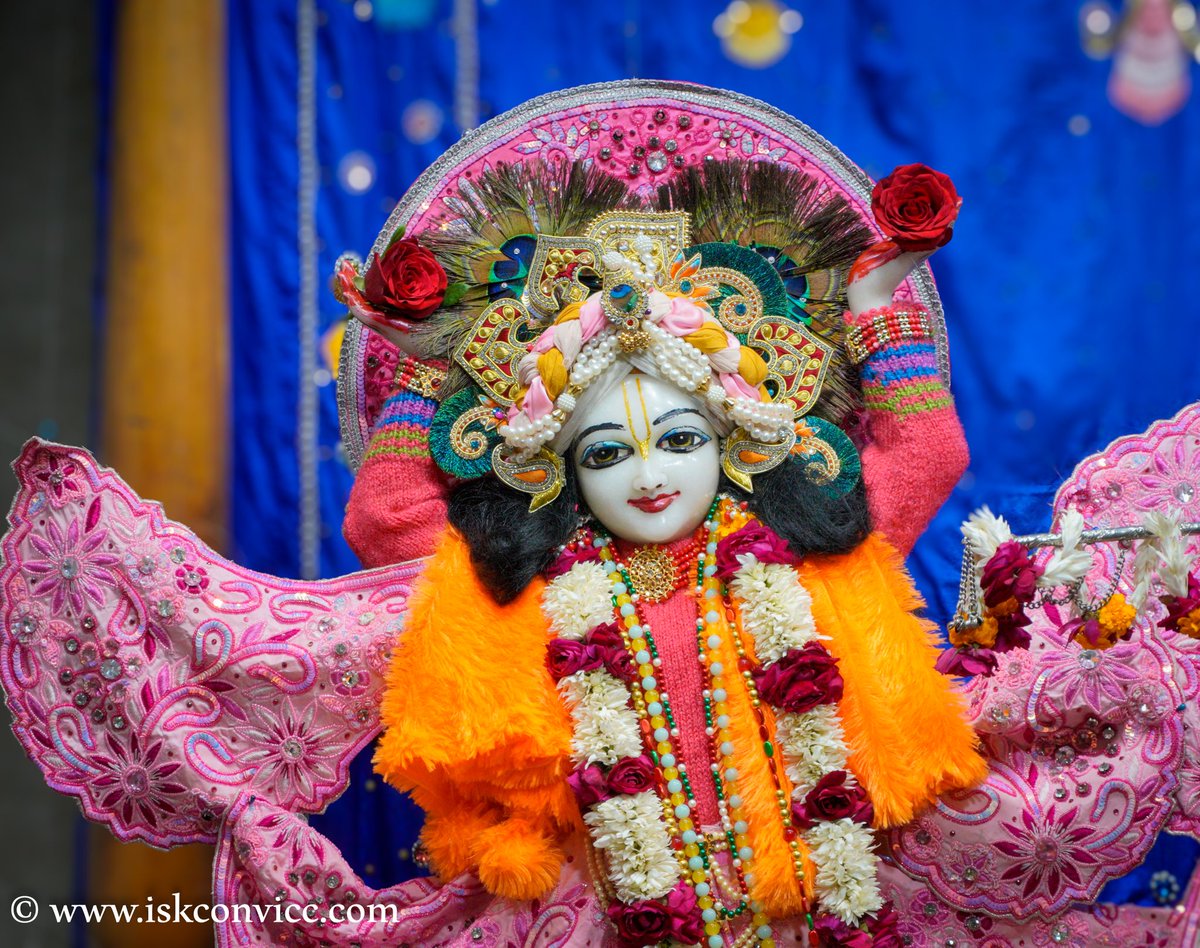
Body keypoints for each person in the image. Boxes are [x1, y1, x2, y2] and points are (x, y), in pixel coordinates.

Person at [2, 82, 1196, 946]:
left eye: (681, 440)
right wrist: (421, 366)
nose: (650, 475)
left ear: (735, 444)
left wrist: (879, 306)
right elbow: (387, 520)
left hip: (826, 898)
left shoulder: (810, 548)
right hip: (599, 912)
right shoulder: (526, 585)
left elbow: (926, 451)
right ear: (560, 470)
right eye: (609, 452)